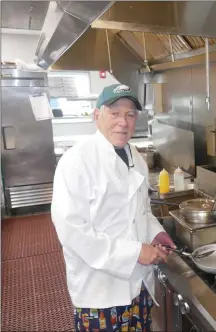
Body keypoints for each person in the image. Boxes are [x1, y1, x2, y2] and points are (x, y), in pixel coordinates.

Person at [51, 84, 176, 332]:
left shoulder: (135, 157)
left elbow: (142, 211)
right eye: (115, 113)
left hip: (137, 285)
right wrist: (134, 253)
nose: (123, 122)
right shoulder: (76, 161)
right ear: (97, 116)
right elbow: (73, 233)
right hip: (99, 292)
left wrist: (155, 233)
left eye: (130, 115)